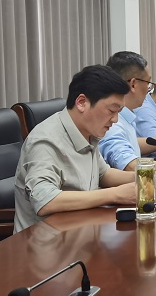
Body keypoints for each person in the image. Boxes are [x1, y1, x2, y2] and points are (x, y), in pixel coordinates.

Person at [14, 65, 139, 232]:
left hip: (83, 233)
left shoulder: (87, 132)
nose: (115, 120)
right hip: (46, 241)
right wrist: (115, 194)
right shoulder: (46, 141)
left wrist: (144, 177)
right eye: (111, 110)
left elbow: (103, 174)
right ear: (81, 103)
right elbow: (45, 201)